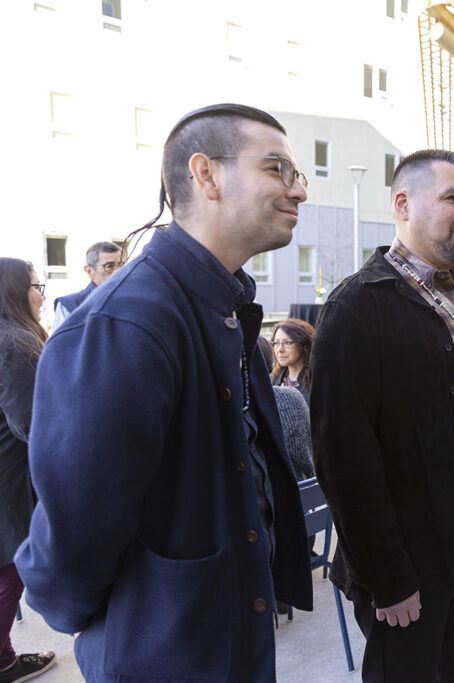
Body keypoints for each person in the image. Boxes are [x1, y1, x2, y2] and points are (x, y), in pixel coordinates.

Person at [15, 103, 314, 681]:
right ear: (205, 175)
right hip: (163, 655)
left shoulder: (226, 309)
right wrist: (91, 611)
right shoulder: (126, 321)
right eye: (278, 168)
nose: (298, 189)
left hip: (227, 643)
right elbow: (72, 537)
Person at [310, 149, 454, 682]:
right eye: (452, 197)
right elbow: (344, 461)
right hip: (406, 561)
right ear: (402, 204)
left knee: (452, 666)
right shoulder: (358, 306)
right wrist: (388, 579)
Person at [0, 259, 55, 683]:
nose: (42, 294)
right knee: (13, 568)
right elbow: (31, 424)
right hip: (11, 478)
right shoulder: (15, 343)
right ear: (18, 290)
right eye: (38, 285)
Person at [51, 241, 121, 330]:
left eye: (122, 265)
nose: (118, 271)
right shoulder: (69, 306)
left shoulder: (134, 300)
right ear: (89, 271)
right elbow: (60, 343)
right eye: (109, 266)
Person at [271, 318, 315, 405]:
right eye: (276, 343)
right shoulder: (274, 378)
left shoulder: (316, 381)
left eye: (287, 343)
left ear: (303, 345)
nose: (280, 349)